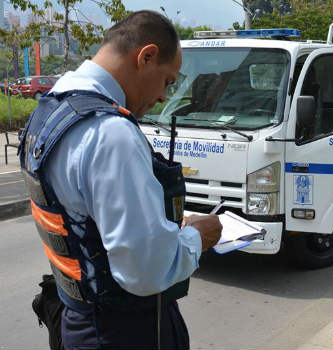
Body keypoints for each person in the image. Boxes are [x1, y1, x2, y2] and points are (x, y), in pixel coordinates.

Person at [19, 10, 222, 349]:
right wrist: (196, 237)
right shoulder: (112, 135)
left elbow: (84, 215)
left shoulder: (51, 109)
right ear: (147, 56)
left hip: (77, 319)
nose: (162, 97)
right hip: (122, 331)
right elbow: (145, 272)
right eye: (168, 81)